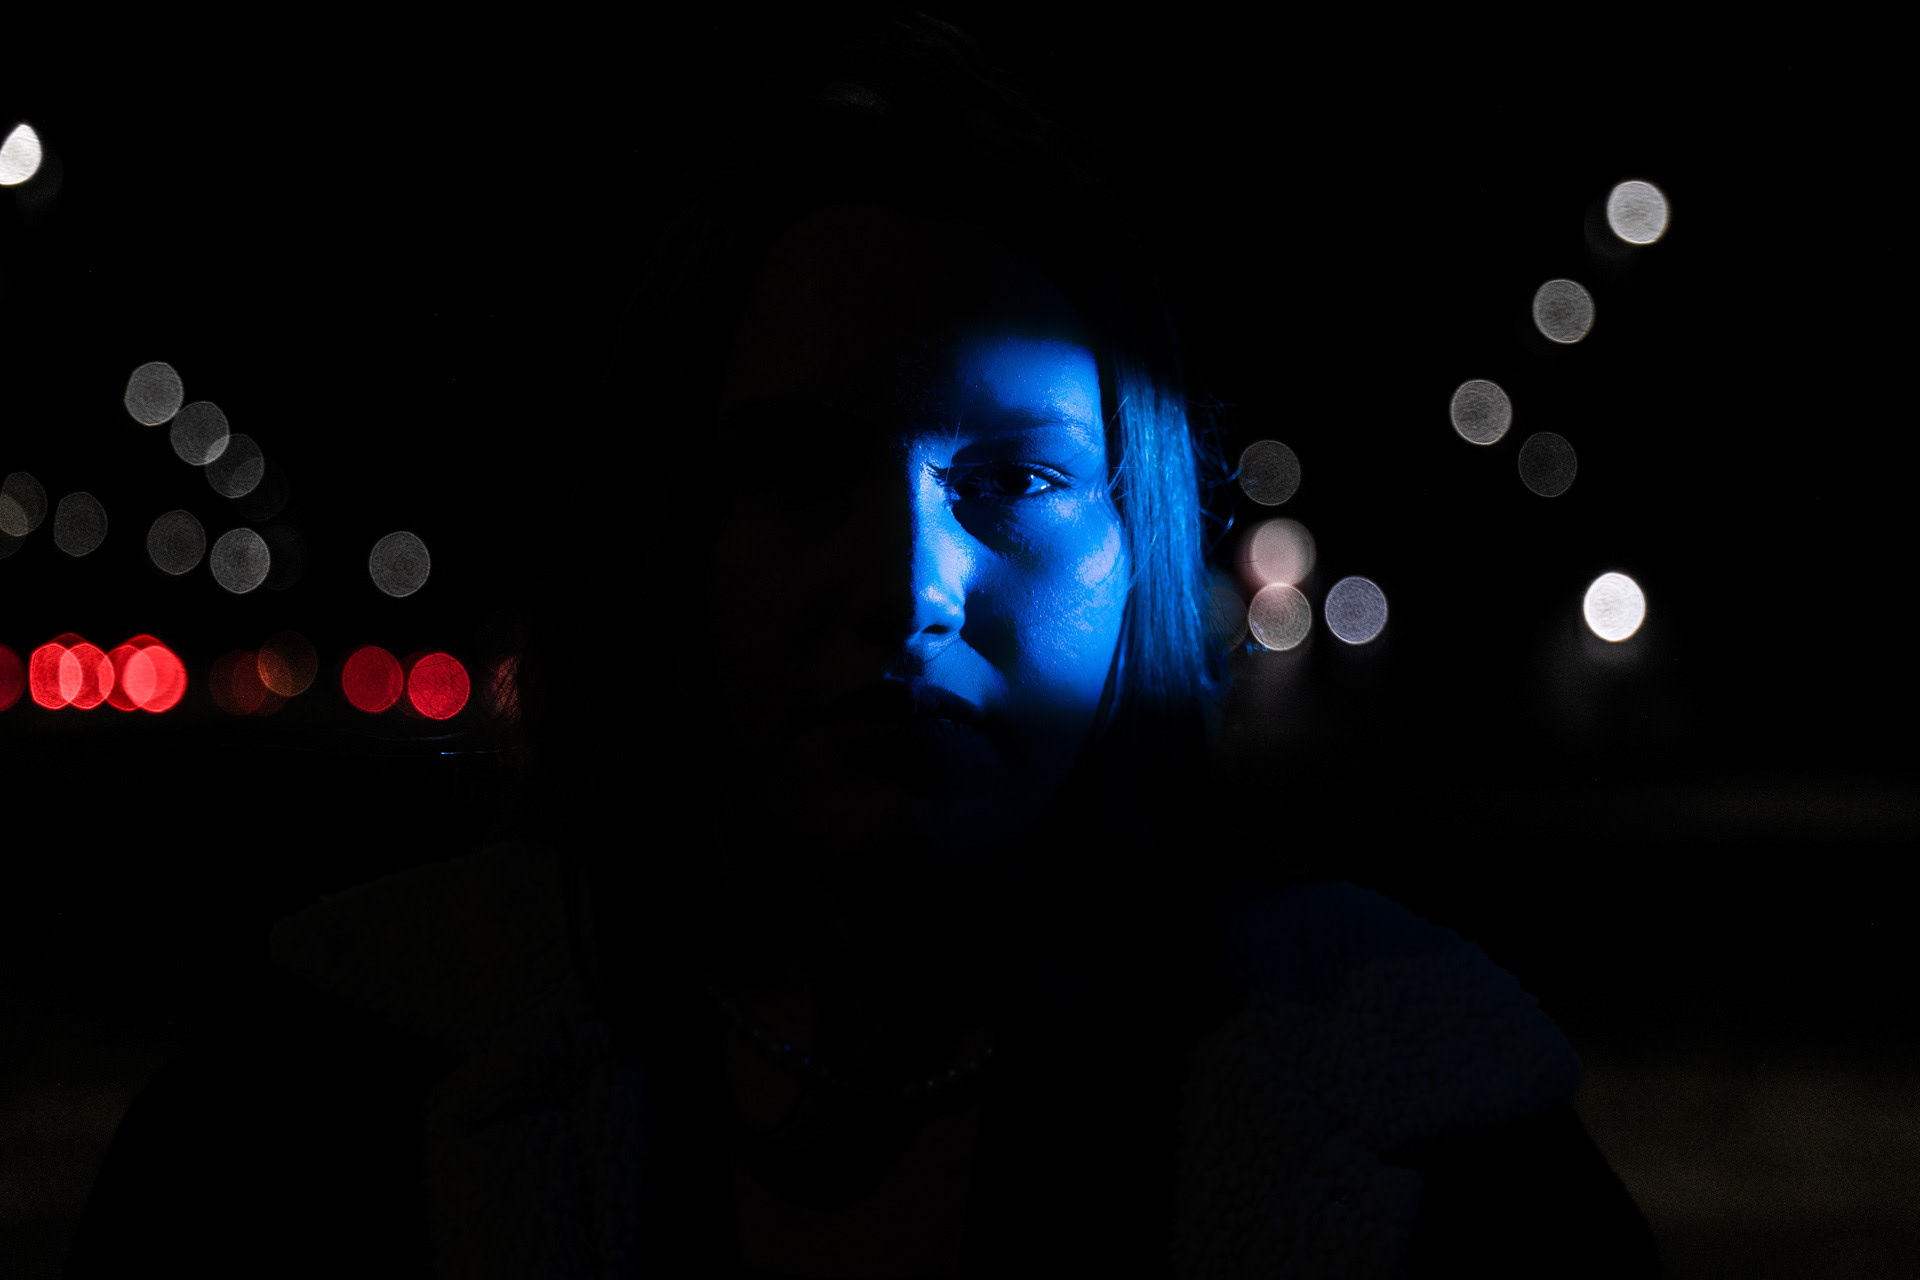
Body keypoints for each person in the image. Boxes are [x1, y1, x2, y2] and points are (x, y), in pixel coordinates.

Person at [64, 10, 1664, 1277]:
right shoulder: (309, 1115)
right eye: (801, 471)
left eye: (1017, 480)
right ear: (670, 533)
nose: (911, 592)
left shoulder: (1442, 1139)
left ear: (1144, 544)